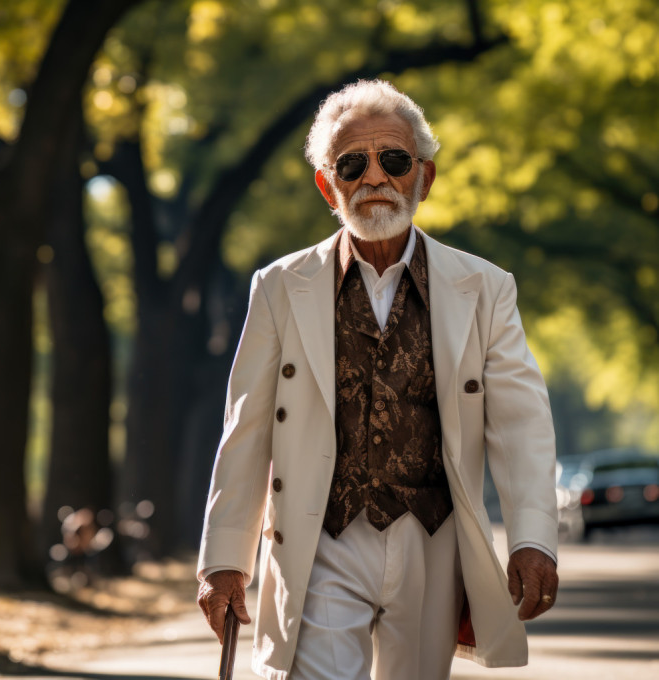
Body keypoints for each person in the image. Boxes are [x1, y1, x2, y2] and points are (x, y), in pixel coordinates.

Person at [196, 79, 559, 680]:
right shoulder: (280, 287)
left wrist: (534, 538)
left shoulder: (486, 288)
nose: (374, 179)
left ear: (424, 176)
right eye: (351, 164)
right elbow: (247, 428)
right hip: (319, 541)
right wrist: (224, 559)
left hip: (434, 541)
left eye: (394, 160)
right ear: (326, 185)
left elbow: (522, 424)